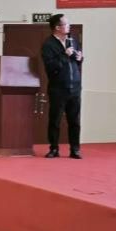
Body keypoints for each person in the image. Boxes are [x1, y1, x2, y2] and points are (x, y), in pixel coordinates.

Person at [41, 14, 84, 159]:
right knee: (55, 120)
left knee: (75, 121)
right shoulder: (48, 45)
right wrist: (64, 55)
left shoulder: (73, 41)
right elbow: (51, 67)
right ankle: (54, 149)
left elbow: (75, 62)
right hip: (58, 89)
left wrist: (80, 58)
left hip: (75, 87)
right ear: (57, 27)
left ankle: (75, 149)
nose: (69, 26)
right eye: (66, 24)